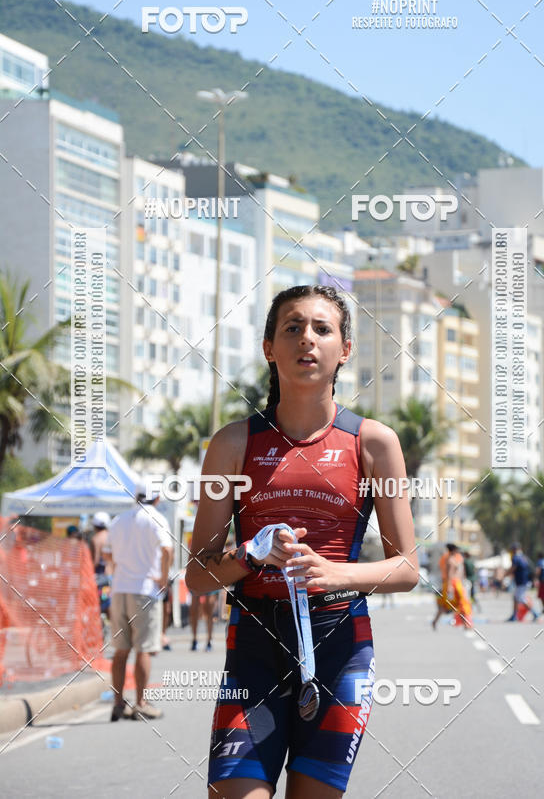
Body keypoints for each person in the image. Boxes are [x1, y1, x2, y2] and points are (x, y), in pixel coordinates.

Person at [185, 285, 419, 799]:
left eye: (322, 329)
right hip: (253, 648)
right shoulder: (233, 443)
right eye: (292, 328)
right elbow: (197, 576)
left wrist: (335, 573)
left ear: (345, 349)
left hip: (339, 648)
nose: (306, 339)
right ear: (269, 347)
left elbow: (406, 568)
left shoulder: (374, 443)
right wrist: (250, 555)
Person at [104, 488, 173, 722]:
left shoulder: (118, 520)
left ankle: (117, 703)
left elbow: (107, 553)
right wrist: (163, 578)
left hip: (120, 589)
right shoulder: (157, 517)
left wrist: (119, 570)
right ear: (157, 497)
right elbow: (167, 549)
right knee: (143, 648)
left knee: (121, 650)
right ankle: (141, 703)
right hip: (144, 590)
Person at [432, 544, 472, 629]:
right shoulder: (450, 560)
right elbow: (450, 574)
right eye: (456, 550)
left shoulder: (453, 559)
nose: (457, 551)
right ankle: (466, 624)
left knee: (457, 604)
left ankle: (465, 624)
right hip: (453, 584)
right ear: (453, 550)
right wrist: (450, 587)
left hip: (455, 584)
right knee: (460, 603)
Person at [507, 543, 538, 622]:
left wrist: (504, 575)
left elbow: (513, 568)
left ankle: (535, 614)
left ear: (515, 549)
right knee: (516, 598)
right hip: (524, 581)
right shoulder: (524, 557)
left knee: (521, 599)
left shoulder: (516, 558)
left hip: (521, 581)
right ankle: (514, 616)